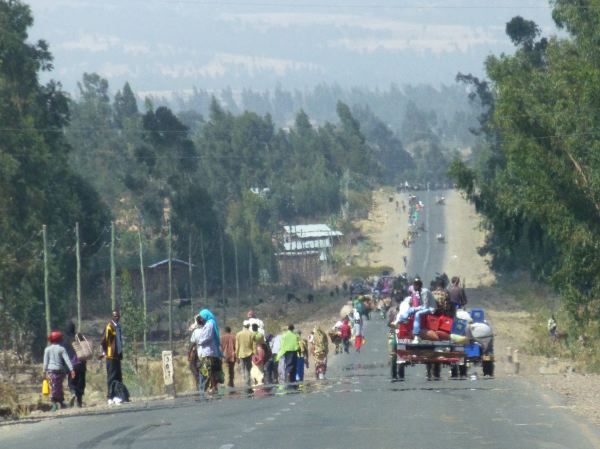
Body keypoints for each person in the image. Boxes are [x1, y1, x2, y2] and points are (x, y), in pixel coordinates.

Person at [190, 309, 222, 395]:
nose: (202, 319)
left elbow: (206, 337)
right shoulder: (209, 323)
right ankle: (210, 390)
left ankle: (203, 392)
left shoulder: (209, 324)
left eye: (202, 317)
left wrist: (199, 342)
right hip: (208, 352)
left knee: (205, 373)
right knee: (208, 373)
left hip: (207, 353)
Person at [394, 278, 435, 343]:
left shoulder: (424, 292)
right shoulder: (418, 292)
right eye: (414, 285)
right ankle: (401, 320)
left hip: (431, 308)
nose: (414, 287)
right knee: (411, 310)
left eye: (415, 285)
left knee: (417, 314)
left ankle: (417, 335)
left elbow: (425, 306)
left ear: (419, 286)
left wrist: (415, 309)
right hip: (424, 307)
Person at [43, 331, 75, 411]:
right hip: (60, 371)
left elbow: (45, 362)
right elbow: (67, 360)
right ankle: (61, 403)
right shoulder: (62, 349)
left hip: (50, 371)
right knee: (59, 386)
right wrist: (71, 369)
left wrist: (44, 371)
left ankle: (54, 404)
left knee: (52, 387)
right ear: (60, 339)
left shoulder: (47, 349)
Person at [100, 310, 123, 404]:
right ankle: (110, 397)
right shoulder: (109, 326)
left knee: (118, 376)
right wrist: (105, 351)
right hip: (111, 355)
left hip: (117, 355)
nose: (116, 317)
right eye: (115, 316)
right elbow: (103, 341)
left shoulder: (118, 327)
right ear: (112, 317)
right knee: (111, 377)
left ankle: (117, 396)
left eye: (118, 316)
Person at [63, 321, 87, 407]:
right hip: (81, 363)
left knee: (72, 382)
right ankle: (79, 401)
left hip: (71, 365)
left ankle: (73, 392)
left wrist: (64, 368)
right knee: (81, 382)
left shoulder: (65, 340)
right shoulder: (79, 337)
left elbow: (63, 354)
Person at [236, 320, 255, 387]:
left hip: (241, 354)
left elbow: (237, 346)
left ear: (243, 325)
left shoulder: (239, 334)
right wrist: (254, 353)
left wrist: (236, 355)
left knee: (242, 368)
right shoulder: (251, 334)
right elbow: (254, 345)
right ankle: (247, 382)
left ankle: (245, 381)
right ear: (248, 326)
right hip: (249, 353)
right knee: (248, 369)